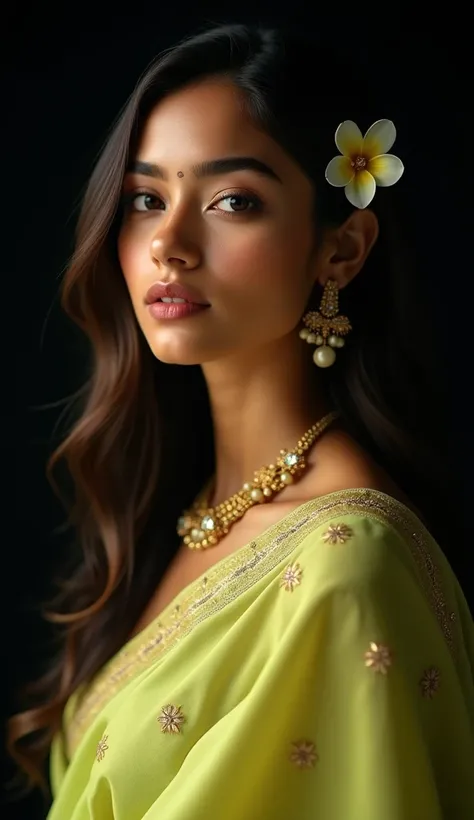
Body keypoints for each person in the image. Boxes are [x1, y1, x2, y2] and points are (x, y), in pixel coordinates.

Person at [7, 21, 474, 820]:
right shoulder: (183, 514)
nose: (169, 244)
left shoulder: (346, 567)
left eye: (233, 201)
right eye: (146, 199)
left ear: (342, 250)